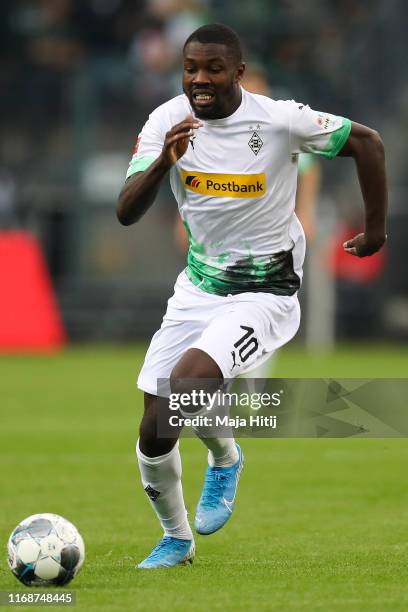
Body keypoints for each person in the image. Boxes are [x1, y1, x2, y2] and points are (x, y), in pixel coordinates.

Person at [117, 23, 387, 569]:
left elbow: (367, 142)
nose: (200, 80)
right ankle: (180, 534)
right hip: (197, 288)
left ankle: (224, 461)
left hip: (265, 292)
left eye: (214, 69)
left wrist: (376, 229)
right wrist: (165, 163)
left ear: (237, 72)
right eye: (191, 69)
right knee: (154, 424)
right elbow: (126, 210)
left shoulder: (278, 119)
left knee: (189, 383)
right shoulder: (166, 121)